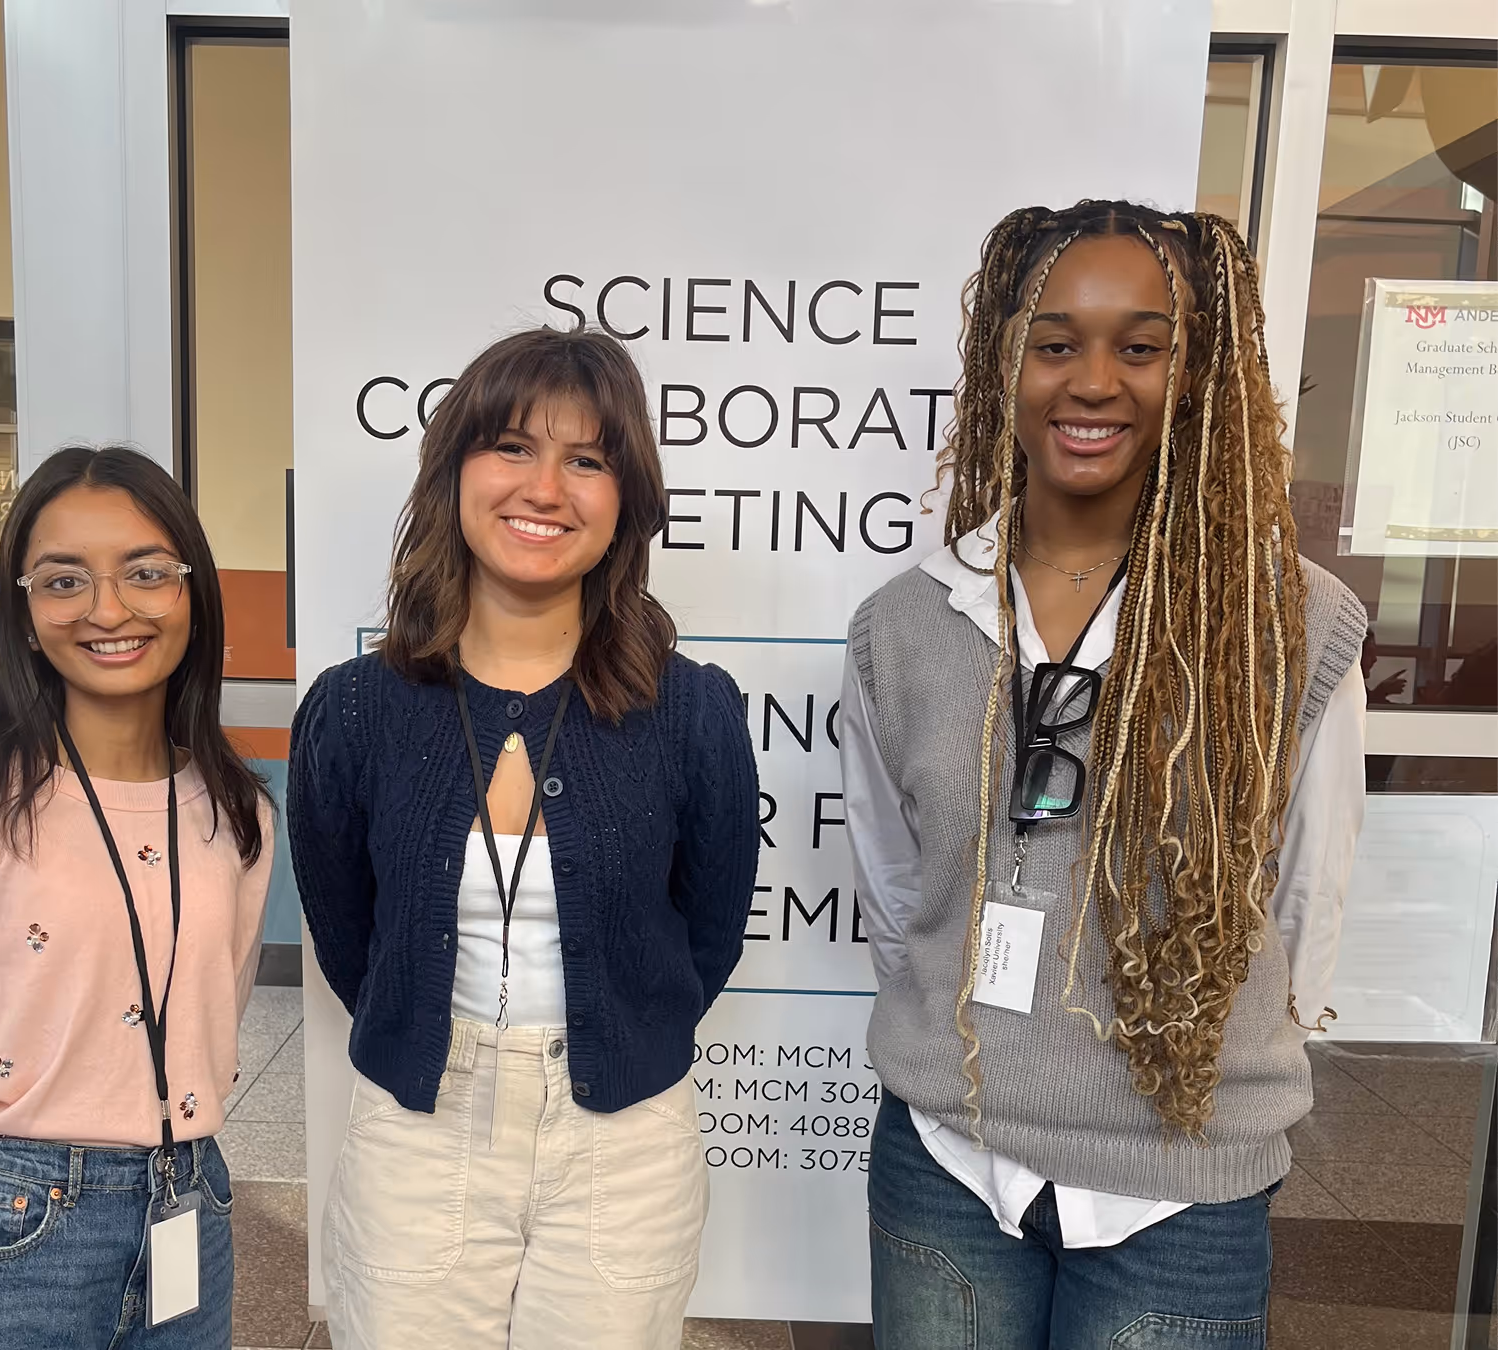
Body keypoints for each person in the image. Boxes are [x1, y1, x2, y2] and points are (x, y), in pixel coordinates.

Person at [839, 201, 1368, 1349]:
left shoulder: (1287, 623)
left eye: (1139, 346)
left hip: (1181, 1181)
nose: (1090, 382)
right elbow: (898, 885)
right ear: (1002, 369)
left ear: (1197, 377)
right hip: (947, 1158)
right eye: (1053, 344)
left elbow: (1301, 899)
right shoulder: (902, 626)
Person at [289, 327, 760, 1349]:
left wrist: (612, 1026)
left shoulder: (691, 713)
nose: (543, 487)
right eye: (510, 446)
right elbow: (346, 933)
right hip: (417, 1130)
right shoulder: (355, 711)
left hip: (624, 1140)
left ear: (624, 500)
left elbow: (707, 932)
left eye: (585, 460)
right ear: (453, 470)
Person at [0, 444, 275, 1350]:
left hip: (189, 1196)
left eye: (147, 573)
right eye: (64, 580)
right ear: (26, 613)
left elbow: (211, 1014)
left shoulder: (235, 814)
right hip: (10, 1218)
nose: (109, 610)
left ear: (192, 593)